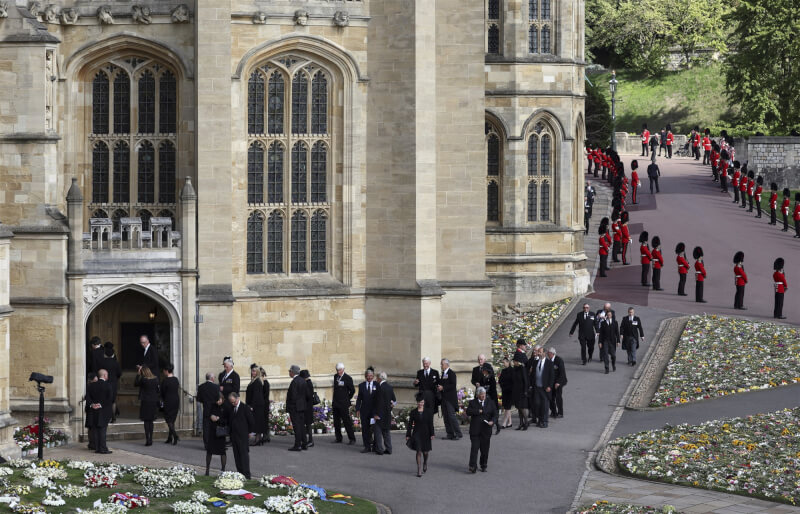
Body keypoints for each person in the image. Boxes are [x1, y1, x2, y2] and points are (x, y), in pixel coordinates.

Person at [466, 387, 497, 473]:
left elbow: (495, 414)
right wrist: (478, 411)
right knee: (474, 448)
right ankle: (472, 466)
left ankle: (483, 465)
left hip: (486, 430)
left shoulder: (490, 402)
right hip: (475, 430)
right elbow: (468, 412)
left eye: (484, 394)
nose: (483, 396)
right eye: (481, 394)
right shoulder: (472, 402)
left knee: (484, 450)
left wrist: (492, 421)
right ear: (478, 395)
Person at [226, 392, 255, 479]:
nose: (233, 404)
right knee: (237, 456)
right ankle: (240, 473)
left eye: (234, 402)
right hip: (234, 436)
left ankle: (247, 474)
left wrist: (249, 433)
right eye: (231, 402)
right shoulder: (231, 408)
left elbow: (251, 422)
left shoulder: (245, 408)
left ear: (238, 398)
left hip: (243, 436)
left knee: (244, 455)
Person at [406, 395, 435, 477]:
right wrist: (408, 434)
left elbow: (431, 424)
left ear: (424, 402)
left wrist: (432, 434)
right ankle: (419, 469)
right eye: (419, 402)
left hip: (426, 433)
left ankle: (425, 462)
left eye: (422, 402)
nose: (420, 404)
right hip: (417, 433)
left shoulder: (428, 412)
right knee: (418, 451)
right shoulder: (413, 412)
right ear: (417, 403)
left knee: (425, 452)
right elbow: (410, 425)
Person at [87, 369, 113, 454]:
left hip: (94, 410)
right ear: (104, 375)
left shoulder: (92, 385)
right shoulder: (108, 385)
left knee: (95, 430)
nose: (107, 376)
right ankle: (102, 448)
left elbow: (87, 397)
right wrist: (100, 405)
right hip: (104, 411)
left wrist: (92, 405)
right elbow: (110, 399)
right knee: (102, 430)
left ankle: (97, 448)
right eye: (107, 375)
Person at [331, 363, 356, 445]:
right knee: (336, 422)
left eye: (340, 370)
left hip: (344, 403)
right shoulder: (335, 377)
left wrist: (347, 398)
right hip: (336, 403)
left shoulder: (348, 378)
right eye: (337, 370)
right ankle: (338, 438)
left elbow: (352, 390)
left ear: (343, 369)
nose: (338, 372)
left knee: (346, 421)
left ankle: (352, 438)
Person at [355, 367, 379, 453]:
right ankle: (367, 446)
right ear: (365, 376)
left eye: (371, 376)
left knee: (374, 429)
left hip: (374, 412)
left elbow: (379, 398)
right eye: (367, 376)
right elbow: (359, 399)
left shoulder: (377, 385)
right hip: (364, 412)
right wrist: (357, 409)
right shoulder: (361, 386)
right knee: (365, 430)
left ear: (373, 376)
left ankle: (376, 446)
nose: (369, 377)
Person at [438, 358, 462, 440]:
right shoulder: (443, 373)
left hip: (450, 399)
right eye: (441, 364)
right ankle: (450, 434)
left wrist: (443, 387)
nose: (441, 365)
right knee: (446, 417)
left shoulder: (451, 373)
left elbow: (453, 385)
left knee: (451, 417)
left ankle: (458, 434)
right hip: (443, 399)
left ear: (446, 364)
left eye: (442, 364)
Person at [135, 366, 159, 446]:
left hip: (145, 401)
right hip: (153, 401)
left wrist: (138, 374)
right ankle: (151, 439)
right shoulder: (155, 379)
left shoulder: (143, 380)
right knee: (151, 421)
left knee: (146, 421)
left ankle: (147, 439)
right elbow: (157, 390)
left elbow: (135, 383)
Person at [530, 346, 554, 428]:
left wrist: (549, 386)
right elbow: (532, 374)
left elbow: (552, 376)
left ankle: (545, 421)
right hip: (537, 387)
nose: (538, 353)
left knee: (545, 405)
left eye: (540, 352)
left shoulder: (549, 363)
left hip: (545, 388)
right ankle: (539, 420)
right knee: (537, 404)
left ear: (544, 353)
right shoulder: (536, 362)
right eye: (538, 352)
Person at [205, 393, 228, 476]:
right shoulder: (212, 405)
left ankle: (223, 469)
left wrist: (218, 418)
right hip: (212, 431)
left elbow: (227, 420)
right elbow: (207, 414)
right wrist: (211, 416)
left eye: (220, 400)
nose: (218, 401)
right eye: (217, 400)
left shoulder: (225, 407)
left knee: (222, 452)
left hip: (221, 432)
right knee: (209, 451)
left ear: (222, 399)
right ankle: (207, 470)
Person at [286, 364, 308, 451]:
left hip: (295, 408)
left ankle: (298, 445)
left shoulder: (295, 382)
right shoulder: (302, 380)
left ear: (292, 372)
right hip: (302, 407)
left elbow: (293, 396)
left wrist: (290, 407)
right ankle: (304, 443)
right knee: (301, 426)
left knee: (297, 427)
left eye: (290, 371)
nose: (289, 373)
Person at [373, 371, 396, 455]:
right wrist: (390, 407)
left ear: (379, 378)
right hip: (387, 413)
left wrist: (375, 414)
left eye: (377, 378)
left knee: (378, 432)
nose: (376, 379)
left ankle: (379, 449)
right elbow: (394, 401)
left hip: (379, 413)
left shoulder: (379, 388)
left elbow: (377, 402)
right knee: (386, 432)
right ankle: (389, 448)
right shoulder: (390, 387)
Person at [197, 373, 219, 453]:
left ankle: (207, 445)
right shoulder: (216, 387)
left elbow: (199, 399)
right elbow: (218, 399)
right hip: (214, 409)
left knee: (206, 428)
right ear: (212, 378)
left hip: (206, 409)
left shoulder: (201, 387)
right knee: (213, 427)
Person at [246, 364, 267, 446]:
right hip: (256, 405)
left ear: (257, 372)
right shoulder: (254, 380)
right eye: (252, 371)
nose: (252, 372)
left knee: (257, 422)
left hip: (257, 405)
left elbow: (256, 395)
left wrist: (252, 406)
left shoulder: (257, 381)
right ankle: (257, 439)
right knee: (256, 422)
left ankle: (258, 439)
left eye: (254, 371)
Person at [161, 363, 180, 445]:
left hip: (168, 401)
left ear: (166, 371)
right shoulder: (176, 379)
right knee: (172, 420)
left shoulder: (165, 381)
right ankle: (170, 437)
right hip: (176, 400)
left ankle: (175, 435)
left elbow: (162, 392)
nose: (163, 372)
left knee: (168, 419)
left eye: (164, 371)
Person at [102, 342, 121, 423]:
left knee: (105, 400)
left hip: (105, 383)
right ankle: (113, 417)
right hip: (113, 383)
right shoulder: (116, 363)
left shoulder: (102, 362)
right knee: (113, 401)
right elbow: (119, 373)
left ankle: (105, 417)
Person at [547, 348, 567, 418]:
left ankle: (560, 412)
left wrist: (558, 382)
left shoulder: (559, 360)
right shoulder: (548, 361)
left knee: (558, 397)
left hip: (559, 381)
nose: (547, 354)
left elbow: (562, 373)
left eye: (548, 353)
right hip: (552, 382)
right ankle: (553, 411)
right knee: (550, 397)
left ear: (552, 354)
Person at [510, 355, 529, 430]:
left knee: (522, 408)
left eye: (514, 361)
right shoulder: (515, 368)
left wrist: (525, 390)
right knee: (518, 407)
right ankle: (521, 423)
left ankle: (526, 423)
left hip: (522, 391)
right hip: (516, 391)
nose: (513, 362)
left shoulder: (522, 368)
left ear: (517, 361)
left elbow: (525, 381)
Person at [299, 369, 315, 448]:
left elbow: (308, 395)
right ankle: (306, 440)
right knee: (306, 424)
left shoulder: (308, 383)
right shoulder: (307, 383)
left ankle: (310, 440)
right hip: (306, 406)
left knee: (308, 424)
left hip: (307, 407)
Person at [497, 358, 513, 430]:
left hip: (510, 391)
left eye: (504, 363)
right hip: (504, 391)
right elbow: (500, 380)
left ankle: (504, 423)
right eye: (503, 363)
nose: (503, 364)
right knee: (506, 407)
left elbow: (513, 381)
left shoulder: (512, 370)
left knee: (508, 407)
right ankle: (510, 422)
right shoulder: (503, 371)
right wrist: (502, 386)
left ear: (508, 362)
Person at [85, 372, 98, 450]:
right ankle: (92, 444)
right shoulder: (89, 386)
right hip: (91, 409)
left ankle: (93, 443)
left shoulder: (93, 386)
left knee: (92, 427)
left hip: (93, 408)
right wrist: (92, 405)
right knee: (91, 427)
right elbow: (87, 397)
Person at [260, 366, 271, 443]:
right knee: (263, 420)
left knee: (264, 420)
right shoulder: (263, 383)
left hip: (264, 404)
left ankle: (266, 436)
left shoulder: (265, 383)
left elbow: (265, 395)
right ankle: (266, 435)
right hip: (264, 403)